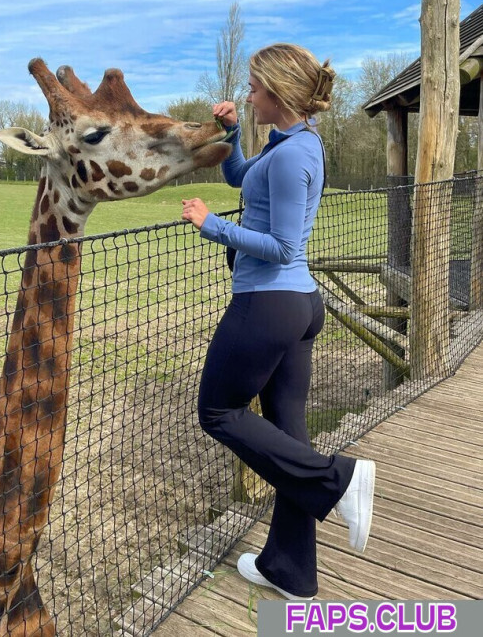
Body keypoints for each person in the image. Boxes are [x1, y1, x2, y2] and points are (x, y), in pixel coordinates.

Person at [181, 43, 375, 602]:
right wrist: (235, 131)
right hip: (295, 306)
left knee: (218, 411)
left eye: (253, 89)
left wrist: (212, 226)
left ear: (279, 92)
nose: (246, 95)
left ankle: (338, 479)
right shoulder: (285, 144)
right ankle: (289, 570)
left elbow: (283, 245)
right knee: (287, 433)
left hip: (269, 303)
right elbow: (243, 179)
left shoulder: (295, 155)